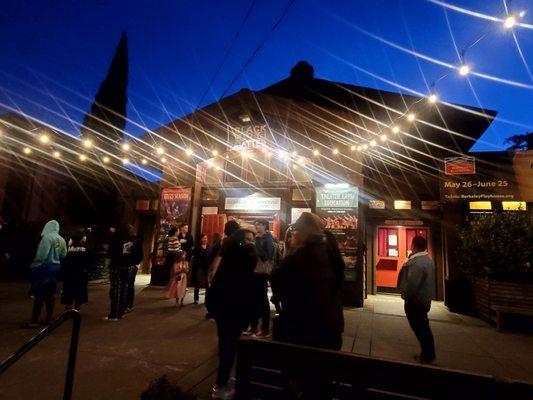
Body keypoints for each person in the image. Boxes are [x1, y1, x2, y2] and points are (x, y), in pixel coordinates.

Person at [271, 212, 344, 350]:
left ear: (303, 234)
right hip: (330, 325)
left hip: (301, 327)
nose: (293, 234)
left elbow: (277, 279)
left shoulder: (297, 257)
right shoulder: (329, 253)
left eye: (295, 231)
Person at [206, 227, 257, 400]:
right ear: (238, 241)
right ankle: (221, 384)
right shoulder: (239, 257)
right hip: (230, 308)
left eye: (252, 240)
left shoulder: (236, 255)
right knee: (228, 346)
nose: (251, 243)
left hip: (228, 308)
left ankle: (224, 380)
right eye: (247, 240)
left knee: (227, 345)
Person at [397, 236, 436, 363]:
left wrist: (406, 296)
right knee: (423, 326)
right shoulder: (427, 260)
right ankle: (428, 353)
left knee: (420, 328)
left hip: (416, 301)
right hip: (424, 299)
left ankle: (427, 355)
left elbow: (412, 284)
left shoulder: (417, 263)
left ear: (413, 245)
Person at [23, 220, 67, 328]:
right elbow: (64, 254)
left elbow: (42, 255)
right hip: (56, 268)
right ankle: (48, 319)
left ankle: (34, 321)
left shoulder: (47, 238)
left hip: (44, 268)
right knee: (50, 294)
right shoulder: (61, 239)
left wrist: (34, 265)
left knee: (39, 294)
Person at [245, 219, 276, 338]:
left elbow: (265, 257)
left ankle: (265, 329)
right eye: (255, 225)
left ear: (264, 226)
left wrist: (256, 241)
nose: (256, 227)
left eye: (258, 225)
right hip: (255, 272)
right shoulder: (259, 238)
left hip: (262, 273)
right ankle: (253, 327)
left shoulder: (268, 239)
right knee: (254, 300)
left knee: (262, 301)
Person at [106, 225, 141, 321]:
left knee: (115, 290)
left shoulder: (116, 240)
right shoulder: (131, 241)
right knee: (124, 289)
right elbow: (135, 254)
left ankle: (113, 314)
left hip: (116, 266)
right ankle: (121, 312)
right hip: (128, 267)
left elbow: (109, 254)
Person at [61, 232, 90, 311]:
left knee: (68, 291)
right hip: (81, 273)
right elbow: (88, 261)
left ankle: (67, 308)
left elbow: (63, 260)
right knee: (79, 291)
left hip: (69, 273)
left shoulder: (68, 248)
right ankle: (77, 308)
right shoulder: (85, 248)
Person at [125, 228, 144, 313]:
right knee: (127, 284)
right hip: (128, 264)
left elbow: (140, 255)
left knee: (129, 284)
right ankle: (127, 304)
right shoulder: (126, 241)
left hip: (132, 265)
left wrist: (136, 265)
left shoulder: (136, 241)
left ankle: (129, 305)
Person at [191, 233, 209, 304]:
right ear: (201, 239)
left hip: (207, 267)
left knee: (207, 283)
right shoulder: (197, 247)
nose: (205, 239)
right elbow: (195, 257)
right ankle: (196, 299)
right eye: (204, 238)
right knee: (197, 282)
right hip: (199, 267)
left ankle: (207, 299)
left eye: (206, 238)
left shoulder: (209, 246)